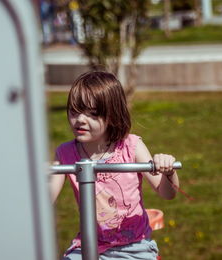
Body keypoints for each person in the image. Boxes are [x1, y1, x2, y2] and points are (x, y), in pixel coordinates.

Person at [50, 71, 180, 260]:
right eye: (74, 110)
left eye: (92, 114)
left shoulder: (131, 146)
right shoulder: (66, 153)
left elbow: (167, 193)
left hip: (134, 246)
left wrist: (168, 172)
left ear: (111, 115)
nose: (80, 119)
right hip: (89, 244)